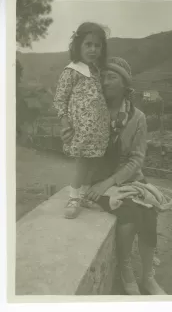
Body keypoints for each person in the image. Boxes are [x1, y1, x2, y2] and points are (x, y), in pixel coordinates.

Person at [61, 57, 166, 295]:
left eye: (112, 77)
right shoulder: (90, 113)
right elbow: (79, 149)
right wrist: (69, 133)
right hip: (97, 182)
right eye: (102, 77)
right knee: (130, 214)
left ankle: (148, 277)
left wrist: (112, 181)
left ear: (124, 83)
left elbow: (136, 159)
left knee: (149, 210)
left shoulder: (137, 117)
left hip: (126, 179)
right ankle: (126, 269)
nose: (105, 82)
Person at [54, 22, 110, 219]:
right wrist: (65, 124)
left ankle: (84, 195)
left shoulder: (96, 71)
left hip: (99, 129)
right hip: (81, 129)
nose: (93, 49)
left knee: (93, 163)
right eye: (88, 44)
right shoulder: (72, 71)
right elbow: (60, 99)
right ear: (78, 46)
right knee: (81, 164)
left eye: (97, 45)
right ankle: (73, 196)